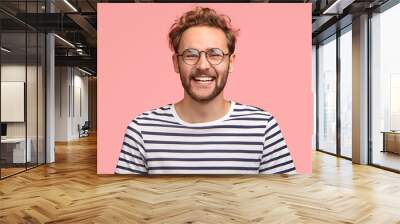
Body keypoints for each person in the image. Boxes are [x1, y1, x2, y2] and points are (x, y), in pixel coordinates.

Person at [115, 6, 296, 175]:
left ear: (231, 62)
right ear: (176, 63)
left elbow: (282, 201)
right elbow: (125, 205)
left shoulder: (263, 127)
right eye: (191, 54)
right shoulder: (142, 130)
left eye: (215, 54)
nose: (202, 65)